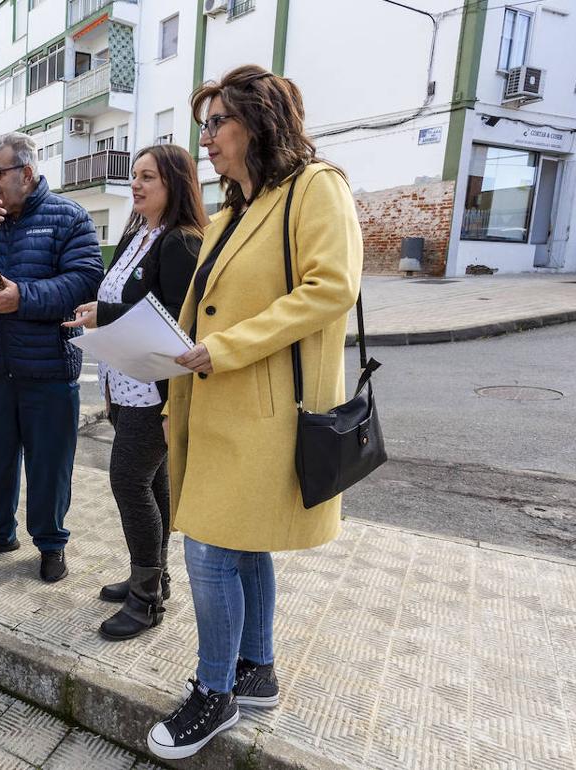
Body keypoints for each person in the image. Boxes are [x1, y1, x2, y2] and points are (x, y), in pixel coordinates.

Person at [144, 66, 364, 762]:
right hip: (216, 409)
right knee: (241, 544)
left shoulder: (315, 187)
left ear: (259, 124)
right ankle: (257, 670)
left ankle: (215, 693)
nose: (204, 139)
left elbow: (331, 288)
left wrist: (224, 349)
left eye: (217, 124)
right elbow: (205, 303)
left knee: (208, 547)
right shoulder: (238, 207)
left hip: (265, 411)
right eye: (203, 125)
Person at [0, 132, 103, 583]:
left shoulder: (68, 217)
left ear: (26, 174)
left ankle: (51, 544)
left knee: (49, 465)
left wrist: (23, 298)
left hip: (49, 370)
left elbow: (86, 281)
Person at [63, 144, 206, 640]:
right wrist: (95, 309)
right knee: (154, 482)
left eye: (149, 177)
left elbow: (174, 323)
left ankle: (146, 600)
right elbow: (118, 297)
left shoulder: (181, 241)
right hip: (124, 381)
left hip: (155, 389)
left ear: (176, 183)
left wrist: (108, 317)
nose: (137, 185)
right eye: (135, 176)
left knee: (128, 481)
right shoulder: (137, 235)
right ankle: (153, 575)